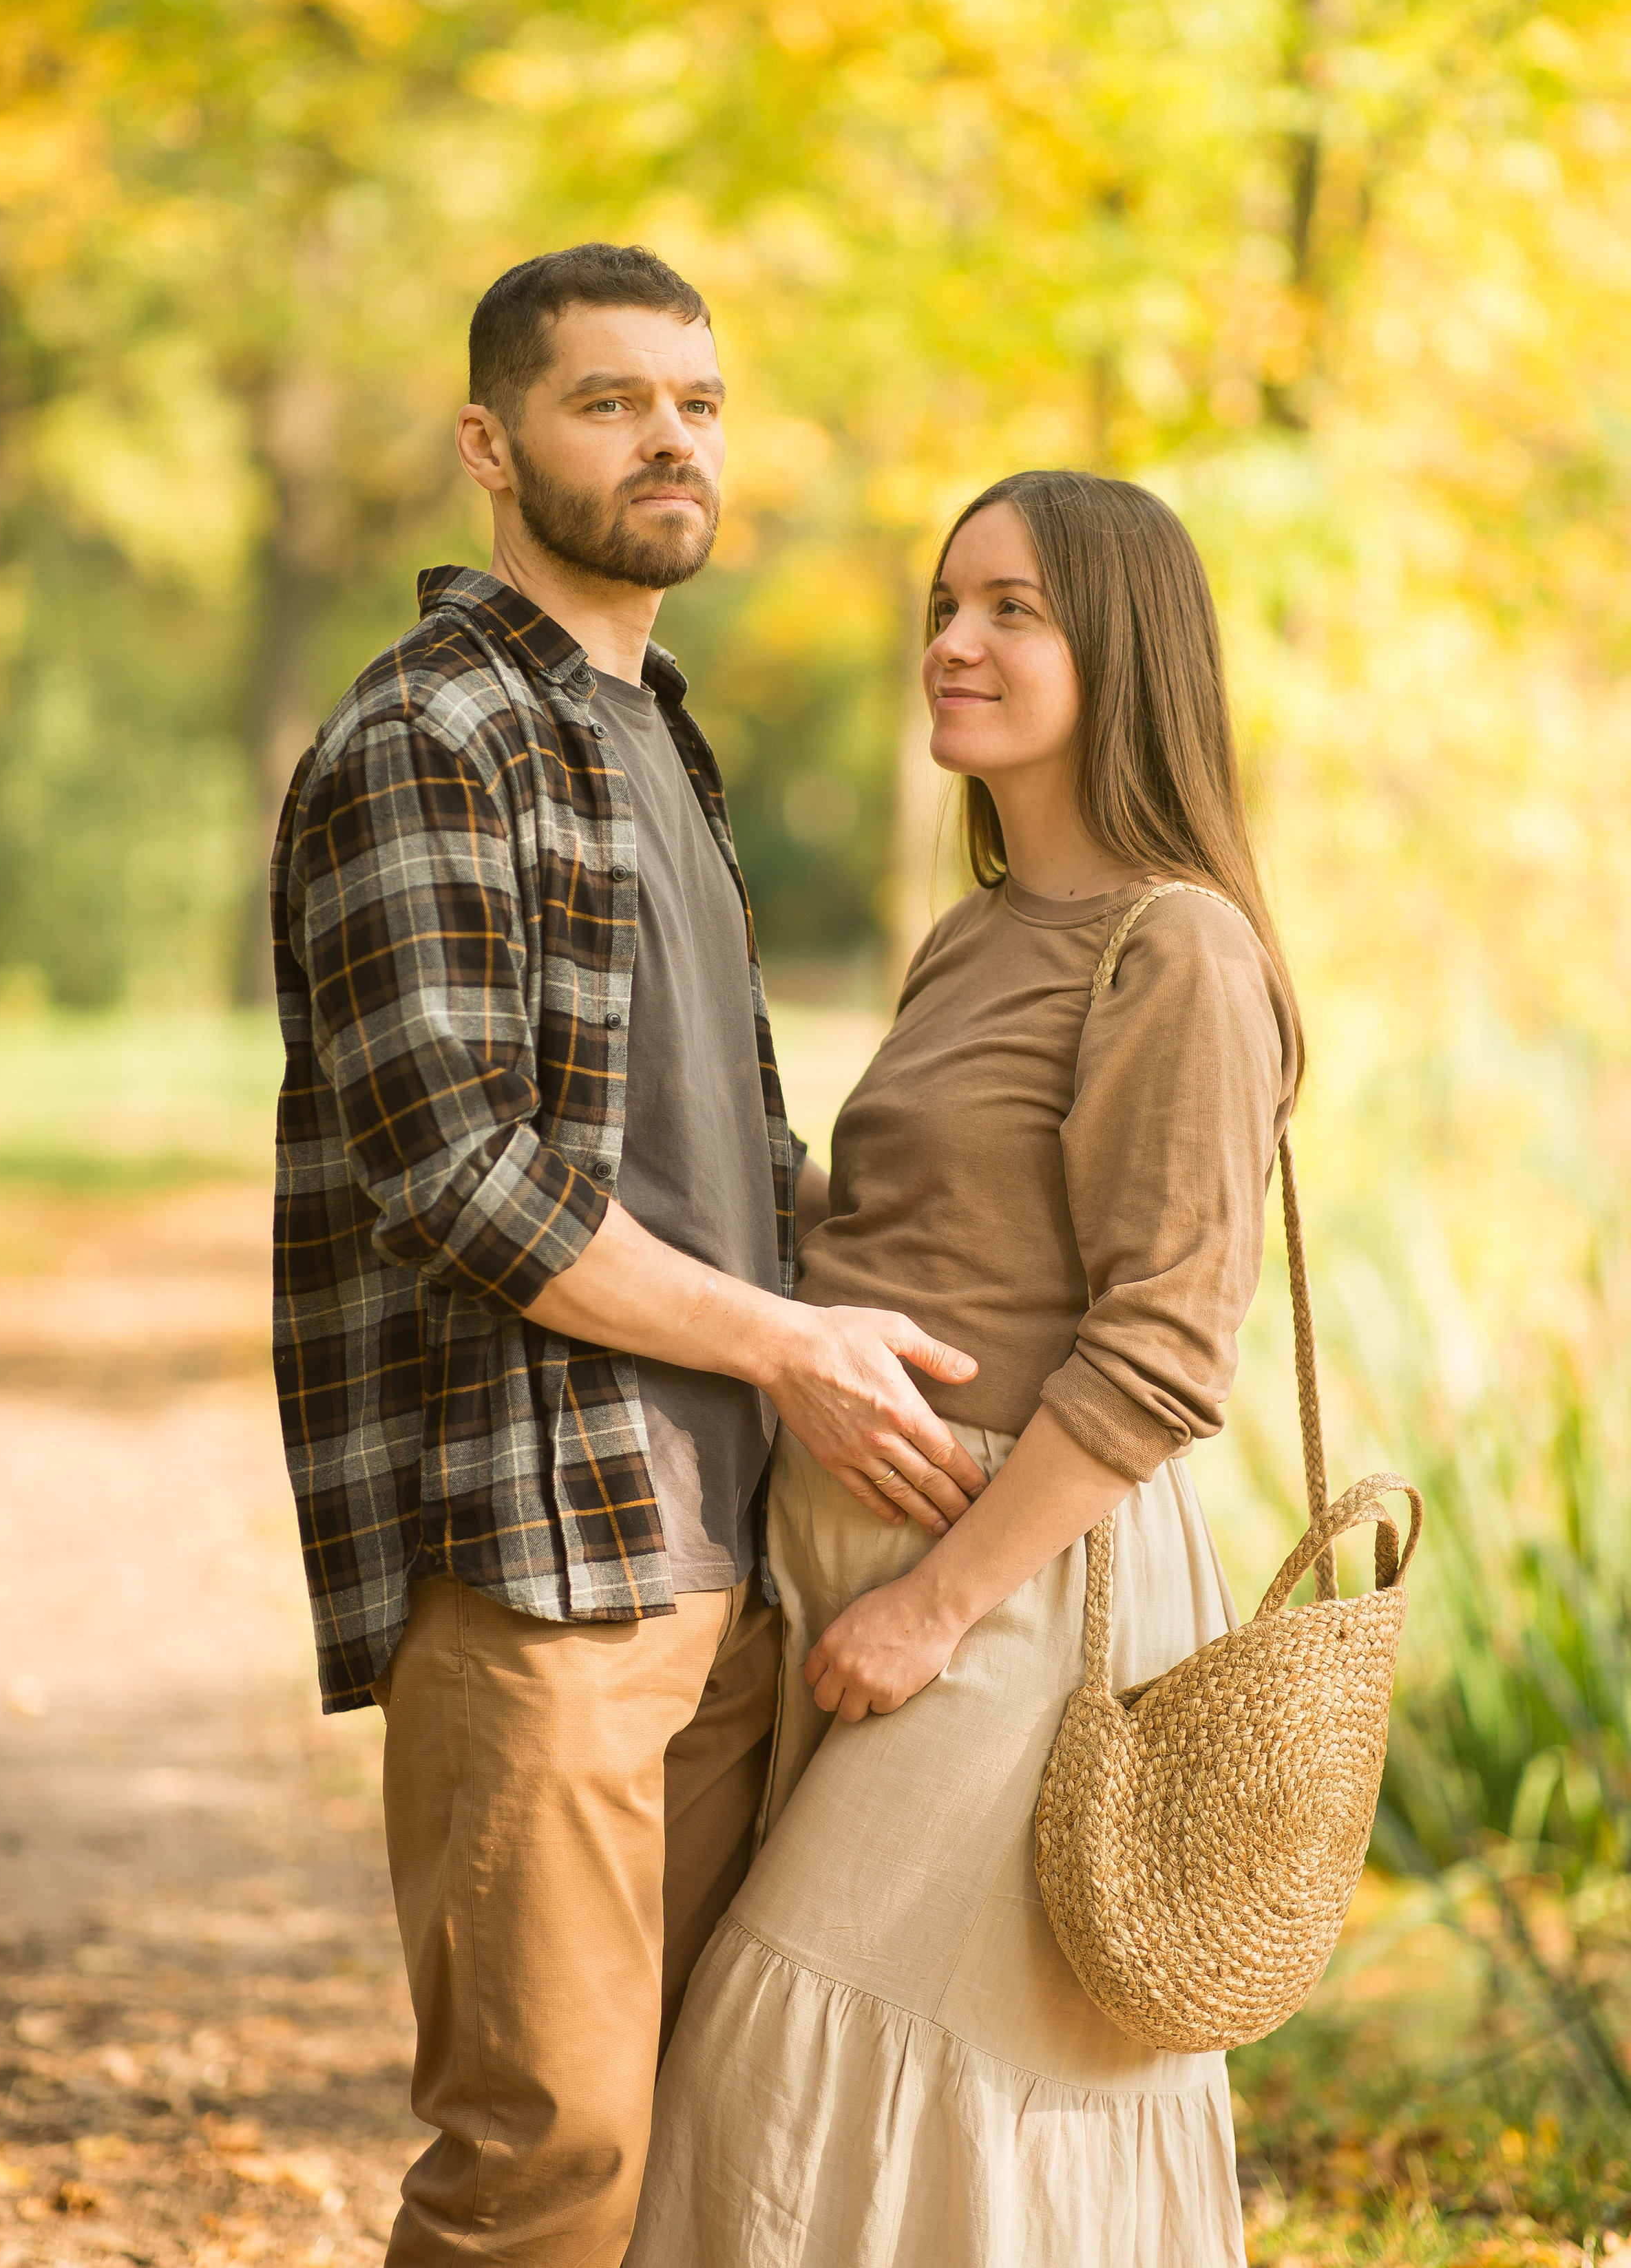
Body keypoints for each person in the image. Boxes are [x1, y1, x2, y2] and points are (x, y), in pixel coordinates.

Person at [268, 241, 986, 2268]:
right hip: (539, 1566)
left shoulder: (660, 735)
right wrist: (789, 1345)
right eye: (611, 402)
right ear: (491, 447)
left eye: (700, 400)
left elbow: (737, 1159)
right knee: (546, 2165)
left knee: (696, 2153)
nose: (671, 438)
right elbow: (458, 1176)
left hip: (726, 1560)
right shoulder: (431, 739)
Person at [626, 470, 1303, 2268]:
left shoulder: (1180, 945)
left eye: (1014, 610)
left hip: (1024, 1593)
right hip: (871, 1563)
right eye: (944, 603)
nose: (954, 642)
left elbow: (1166, 1352)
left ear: (1125, 650)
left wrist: (935, 1607)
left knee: (792, 2051)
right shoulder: (980, 935)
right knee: (849, 2095)